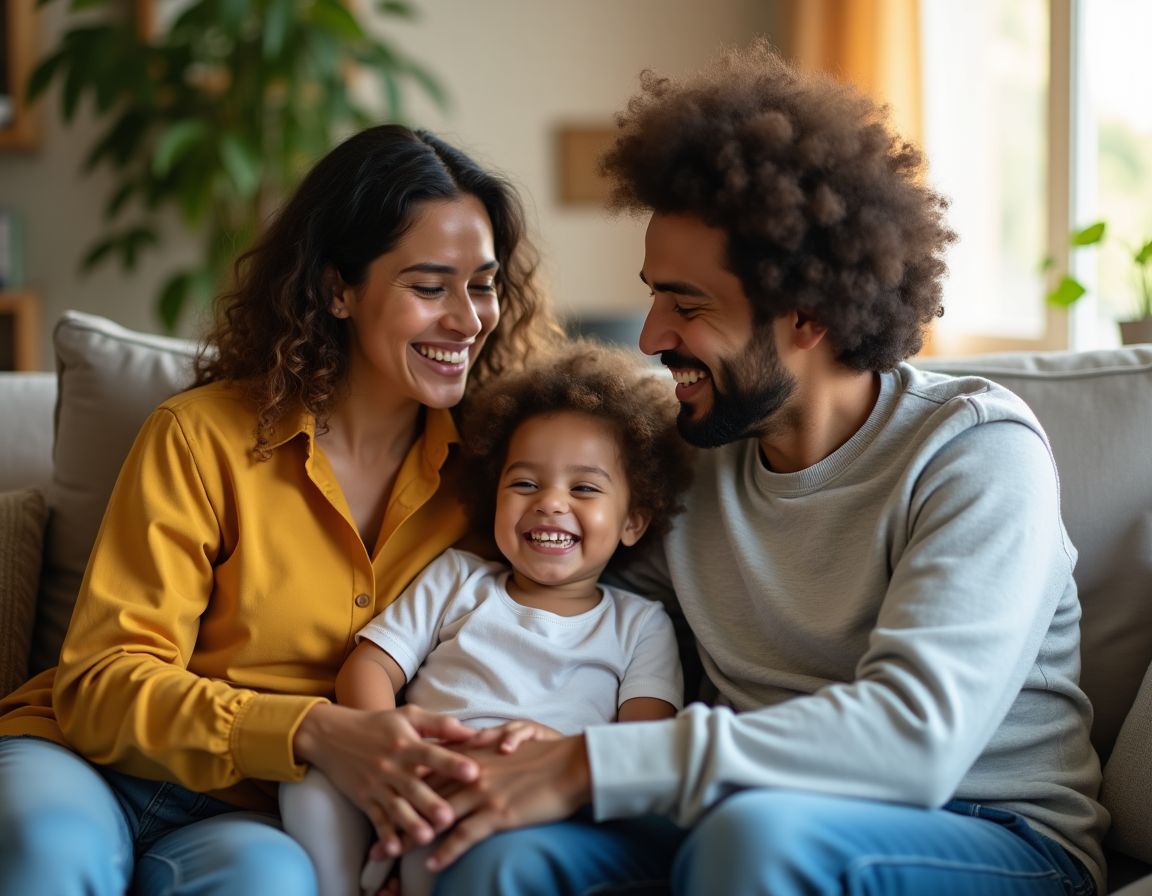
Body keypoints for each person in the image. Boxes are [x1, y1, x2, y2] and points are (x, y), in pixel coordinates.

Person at [419, 41, 1110, 896]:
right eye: (653, 294)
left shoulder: (975, 451)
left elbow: (917, 740)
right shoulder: (691, 449)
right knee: (499, 858)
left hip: (987, 831)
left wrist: (595, 765)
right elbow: (563, 592)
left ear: (807, 316)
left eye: (687, 304)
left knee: (754, 842)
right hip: (736, 809)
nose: (649, 338)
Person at [0, 124, 562, 895]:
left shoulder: (500, 479)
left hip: (255, 811)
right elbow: (100, 684)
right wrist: (311, 729)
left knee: (268, 884)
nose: (468, 320)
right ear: (337, 288)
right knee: (45, 846)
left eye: (483, 284)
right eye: (430, 287)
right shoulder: (201, 436)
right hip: (87, 763)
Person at [281, 340, 694, 896]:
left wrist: (559, 747)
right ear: (492, 494)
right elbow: (368, 668)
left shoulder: (640, 624)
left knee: (453, 842)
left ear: (633, 522)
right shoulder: (458, 578)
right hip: (417, 769)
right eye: (525, 483)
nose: (549, 502)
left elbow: (643, 740)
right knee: (307, 787)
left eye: (585, 488)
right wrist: (386, 741)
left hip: (533, 790)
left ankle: (408, 875)